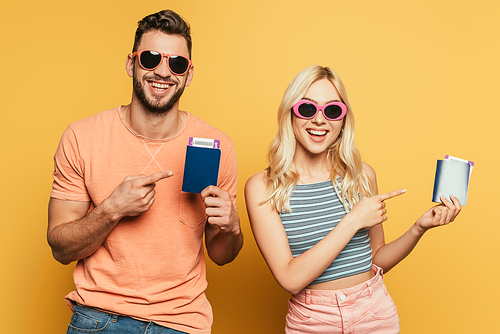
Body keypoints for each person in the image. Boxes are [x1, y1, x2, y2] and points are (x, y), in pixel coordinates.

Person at [47, 10, 243, 334]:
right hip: (99, 318)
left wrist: (233, 228)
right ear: (131, 64)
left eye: (176, 63)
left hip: (183, 323)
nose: (163, 72)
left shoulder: (219, 146)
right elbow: (60, 248)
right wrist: (112, 209)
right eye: (151, 58)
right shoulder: (82, 138)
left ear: (189, 74)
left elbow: (221, 255)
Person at [244, 65, 461, 333]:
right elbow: (290, 278)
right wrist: (353, 220)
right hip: (313, 321)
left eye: (333, 110)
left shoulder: (362, 176)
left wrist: (418, 228)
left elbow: (377, 259)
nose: (320, 120)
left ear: (343, 120)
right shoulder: (262, 187)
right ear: (290, 113)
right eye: (307, 108)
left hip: (374, 312)